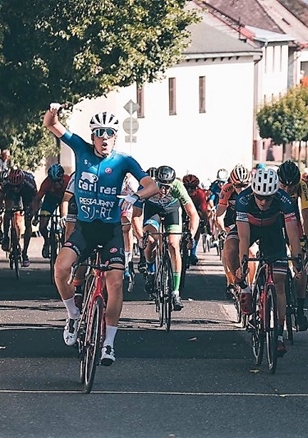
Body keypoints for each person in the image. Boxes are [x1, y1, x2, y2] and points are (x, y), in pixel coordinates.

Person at [43, 105, 158, 366]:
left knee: (114, 283)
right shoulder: (81, 149)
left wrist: (136, 196)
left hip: (110, 231)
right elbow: (51, 124)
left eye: (109, 133)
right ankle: (73, 315)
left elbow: (151, 185)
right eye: (99, 133)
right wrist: (53, 111)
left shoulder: (123, 161)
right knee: (60, 268)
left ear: (115, 136)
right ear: (92, 136)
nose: (104, 138)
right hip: (85, 229)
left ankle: (108, 344)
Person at [234, 167, 303, 357]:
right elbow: (244, 237)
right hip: (251, 227)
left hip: (273, 231)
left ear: (275, 194)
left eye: (268, 198)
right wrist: (243, 265)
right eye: (259, 197)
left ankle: (279, 335)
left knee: (279, 281)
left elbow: (292, 235)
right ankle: (246, 289)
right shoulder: (243, 199)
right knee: (232, 248)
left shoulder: (284, 200)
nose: (263, 202)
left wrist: (297, 262)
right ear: (253, 192)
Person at [132, 165, 199, 310]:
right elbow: (136, 215)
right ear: (156, 182)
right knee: (150, 241)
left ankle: (175, 292)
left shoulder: (178, 187)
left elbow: (193, 214)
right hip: (152, 211)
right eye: (161, 186)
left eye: (167, 187)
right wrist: (140, 237)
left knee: (173, 245)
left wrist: (191, 236)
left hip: (171, 211)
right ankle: (151, 270)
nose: (163, 190)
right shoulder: (146, 187)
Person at [277, 160, 308, 331]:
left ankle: (300, 311)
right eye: (283, 186)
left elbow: (306, 215)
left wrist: (307, 241)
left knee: (300, 266)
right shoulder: (272, 184)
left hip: (293, 221)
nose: (287, 190)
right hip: (275, 222)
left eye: (291, 187)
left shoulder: (302, 186)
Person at [215, 164, 253, 299]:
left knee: (252, 251)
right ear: (232, 183)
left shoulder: (255, 189)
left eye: (245, 186)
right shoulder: (227, 189)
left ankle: (252, 283)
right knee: (228, 249)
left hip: (250, 220)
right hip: (232, 220)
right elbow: (219, 215)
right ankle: (231, 281)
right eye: (238, 186)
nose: (241, 189)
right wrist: (221, 230)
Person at [0, 168, 38, 267]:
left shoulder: (29, 183)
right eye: (14, 186)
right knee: (8, 211)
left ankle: (25, 253)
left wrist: (34, 213)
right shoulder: (6, 183)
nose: (15, 188)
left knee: (28, 221)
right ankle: (6, 237)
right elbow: (0, 199)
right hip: (11, 195)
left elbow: (36, 199)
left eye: (17, 186)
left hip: (26, 194)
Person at [32, 163, 70, 259]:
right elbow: (37, 199)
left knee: (66, 222)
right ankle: (47, 241)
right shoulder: (46, 183)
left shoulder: (68, 181)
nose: (56, 184)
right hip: (50, 199)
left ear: (62, 178)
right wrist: (35, 215)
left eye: (58, 181)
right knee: (42, 225)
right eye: (53, 182)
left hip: (65, 198)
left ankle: (65, 243)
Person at [181, 173, 208, 265]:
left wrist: (204, 222)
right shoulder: (180, 191)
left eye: (192, 188)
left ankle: (193, 253)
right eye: (187, 187)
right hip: (182, 208)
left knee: (198, 223)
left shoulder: (200, 193)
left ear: (196, 187)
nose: (189, 190)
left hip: (196, 209)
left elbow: (204, 210)